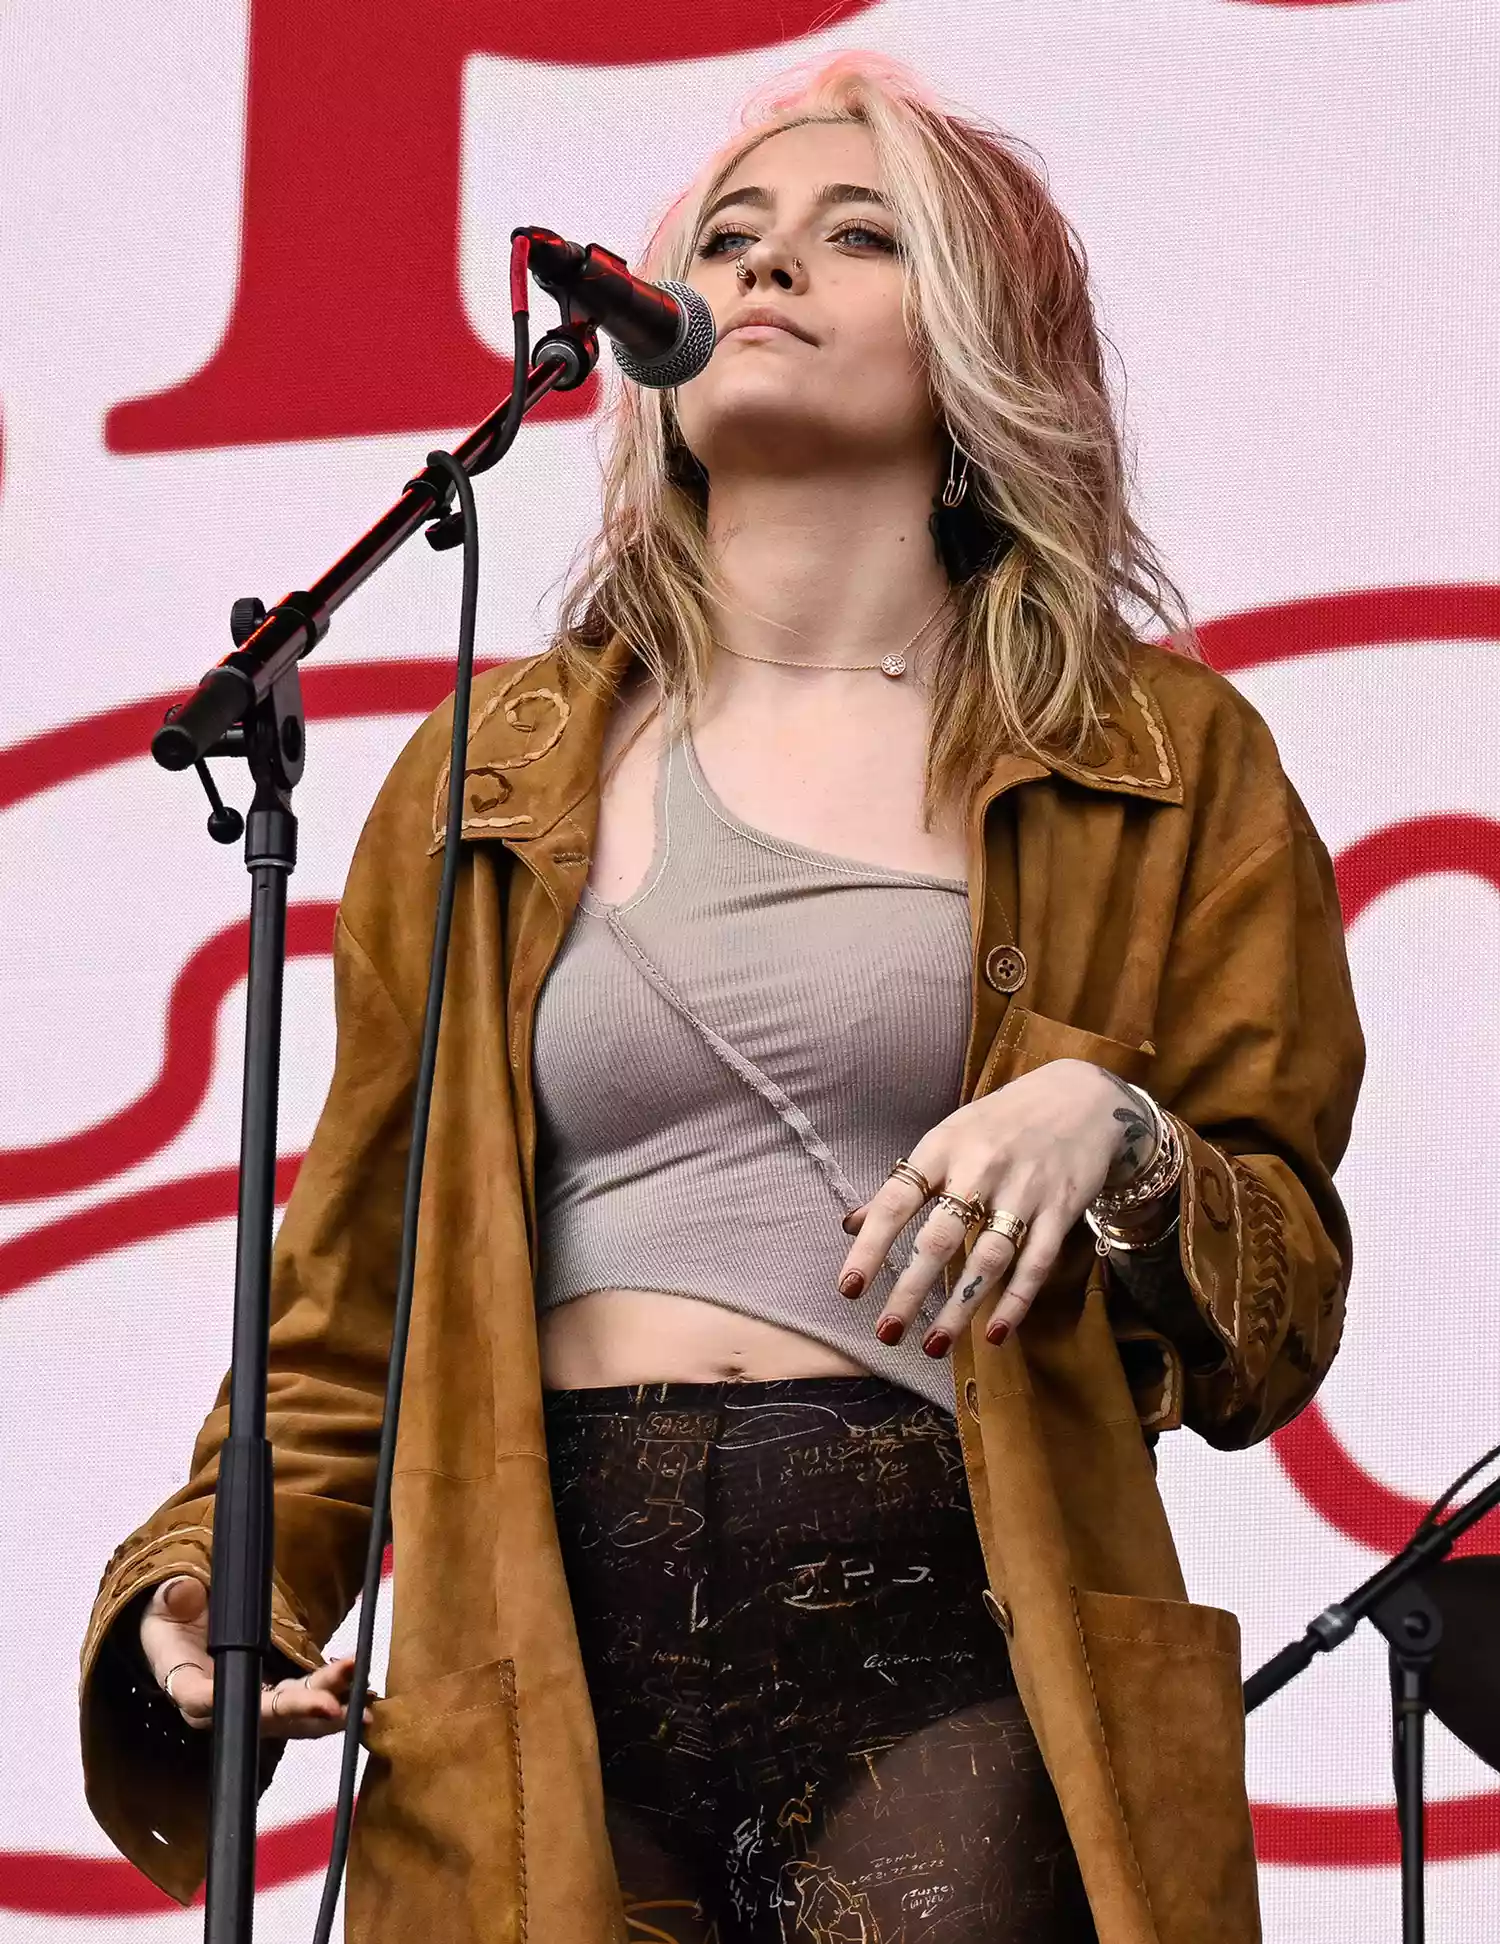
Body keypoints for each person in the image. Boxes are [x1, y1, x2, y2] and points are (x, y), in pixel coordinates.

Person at [79, 50, 1364, 1944]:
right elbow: (349, 1313)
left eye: (861, 238)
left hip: (952, 1638)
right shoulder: (485, 771)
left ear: (984, 343)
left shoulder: (1160, 758)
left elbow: (1280, 1315)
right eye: (734, 239)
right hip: (535, 1656)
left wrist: (1126, 1135)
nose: (770, 271)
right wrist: (213, 1585)